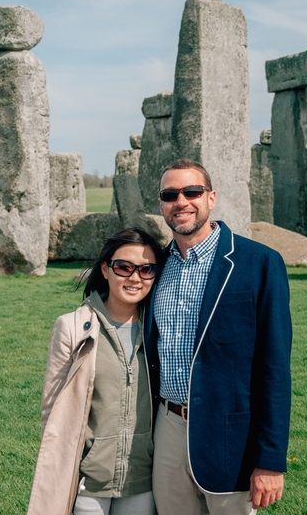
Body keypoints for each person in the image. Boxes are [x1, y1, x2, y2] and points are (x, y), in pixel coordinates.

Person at [144, 159, 293, 515]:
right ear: (162, 204)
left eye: (191, 191)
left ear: (211, 198)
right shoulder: (153, 268)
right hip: (168, 428)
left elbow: (274, 367)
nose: (181, 201)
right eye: (169, 194)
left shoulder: (260, 262)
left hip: (232, 435)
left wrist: (271, 459)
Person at [27, 228, 165, 515]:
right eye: (124, 267)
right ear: (105, 269)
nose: (135, 277)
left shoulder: (159, 331)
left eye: (146, 269)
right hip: (89, 483)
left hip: (143, 480)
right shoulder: (72, 327)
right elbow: (52, 412)